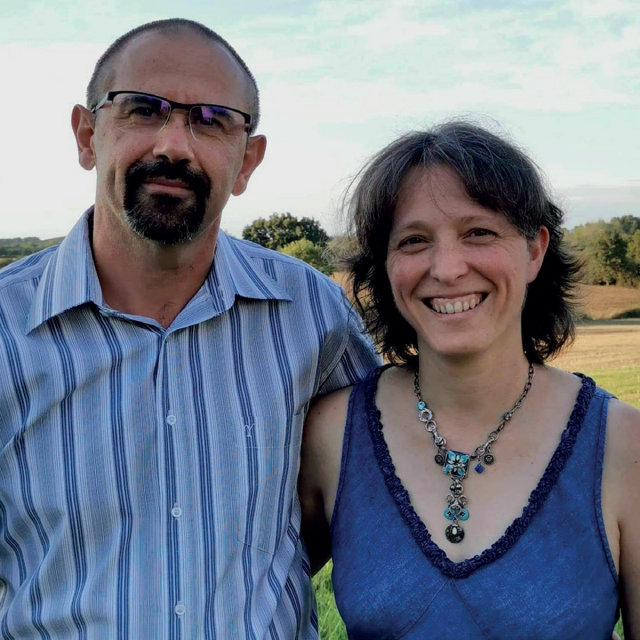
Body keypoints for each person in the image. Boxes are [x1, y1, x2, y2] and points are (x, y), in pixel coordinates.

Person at [0, 18, 379, 639]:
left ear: (247, 160)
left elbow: (371, 489)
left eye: (211, 120)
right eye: (142, 110)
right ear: (87, 134)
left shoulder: (312, 313)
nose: (175, 144)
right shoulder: (6, 329)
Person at [299, 121, 639, 639]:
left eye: (478, 232)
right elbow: (251, 594)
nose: (448, 267)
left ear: (534, 250)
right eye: (413, 240)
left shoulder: (625, 446)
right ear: (386, 267)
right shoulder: (331, 433)